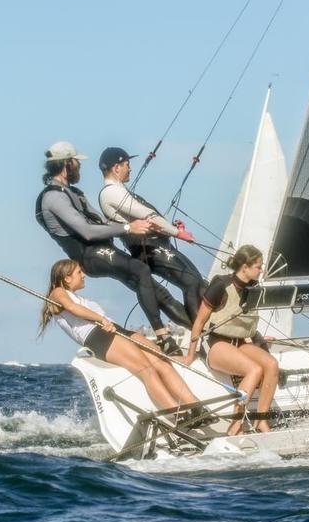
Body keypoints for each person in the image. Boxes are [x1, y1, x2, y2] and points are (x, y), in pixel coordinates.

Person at [34, 141, 188, 355]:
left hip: (102, 251)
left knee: (156, 291)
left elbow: (100, 223)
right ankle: (163, 337)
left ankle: (201, 332)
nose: (80, 167)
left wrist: (145, 226)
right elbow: (86, 231)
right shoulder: (53, 197)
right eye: (77, 162)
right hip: (88, 256)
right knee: (141, 270)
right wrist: (127, 227)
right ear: (67, 164)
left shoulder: (74, 192)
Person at [38, 259, 200, 412]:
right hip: (98, 335)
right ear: (67, 278)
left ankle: (195, 406)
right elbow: (73, 308)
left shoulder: (78, 296)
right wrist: (100, 318)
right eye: (79, 272)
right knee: (147, 370)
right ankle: (178, 413)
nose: (83, 275)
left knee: (161, 361)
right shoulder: (57, 293)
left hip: (113, 329)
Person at [97, 146, 208, 323]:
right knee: (192, 283)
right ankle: (201, 336)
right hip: (150, 249)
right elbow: (147, 214)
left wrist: (170, 227)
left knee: (198, 283)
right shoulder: (111, 193)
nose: (130, 168)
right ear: (116, 168)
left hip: (156, 246)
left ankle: (207, 332)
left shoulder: (120, 191)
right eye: (127, 164)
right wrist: (177, 233)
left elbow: (148, 220)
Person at [185, 245, 279, 436]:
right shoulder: (221, 284)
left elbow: (245, 322)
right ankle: (236, 424)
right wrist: (190, 355)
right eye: (258, 267)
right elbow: (200, 321)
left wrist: (260, 341)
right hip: (216, 344)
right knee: (254, 370)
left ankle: (261, 420)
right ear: (245, 267)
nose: (261, 271)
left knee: (271, 364)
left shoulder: (254, 289)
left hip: (240, 343)